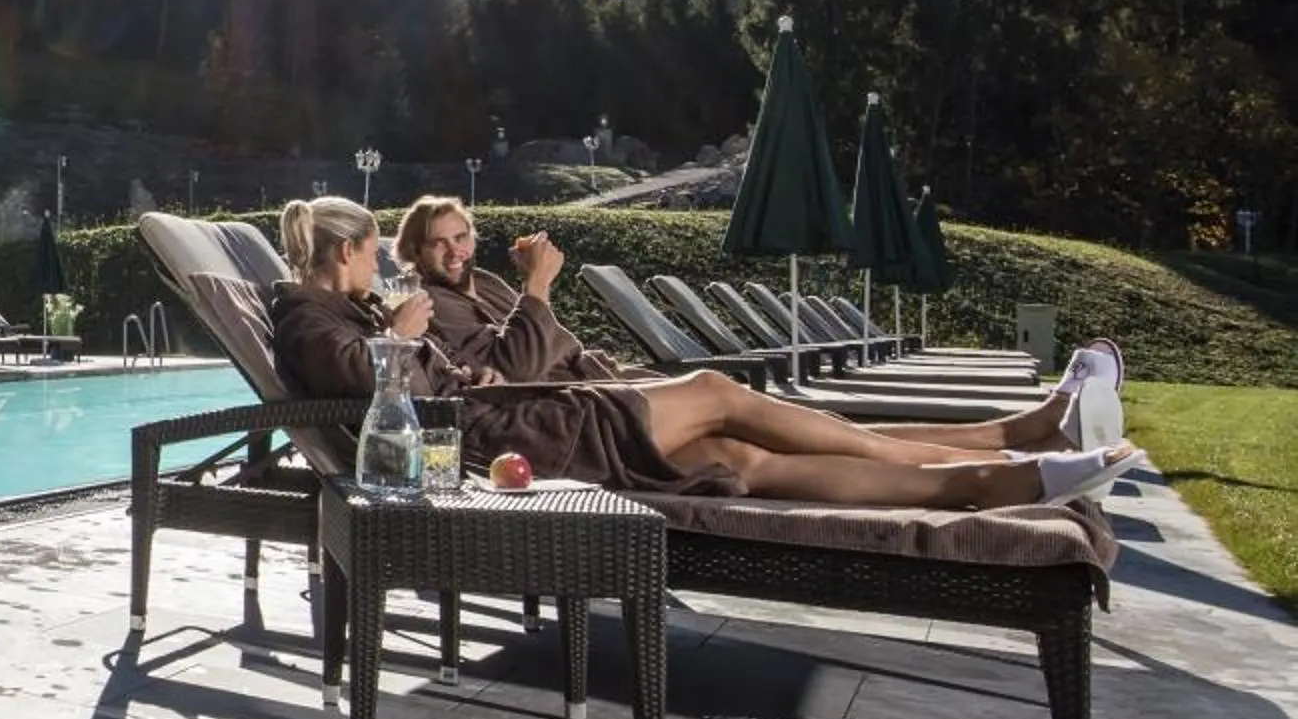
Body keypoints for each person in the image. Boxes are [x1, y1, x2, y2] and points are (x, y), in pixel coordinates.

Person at [269, 195, 1138, 509]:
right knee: (722, 388)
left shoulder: (353, 306)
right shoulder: (315, 316)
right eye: (378, 249)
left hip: (529, 409)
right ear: (344, 252)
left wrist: (427, 345)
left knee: (734, 454)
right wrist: (409, 340)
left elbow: (461, 364)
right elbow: (384, 378)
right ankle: (1015, 444)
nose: (384, 262)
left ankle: (996, 470)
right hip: (522, 431)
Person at [396, 195, 618, 384]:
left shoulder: (484, 281)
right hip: (561, 394)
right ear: (415, 253)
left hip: (589, 372)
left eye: (460, 238)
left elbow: (551, 338)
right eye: (439, 243)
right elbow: (519, 369)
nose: (455, 252)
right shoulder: (428, 301)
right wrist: (536, 282)